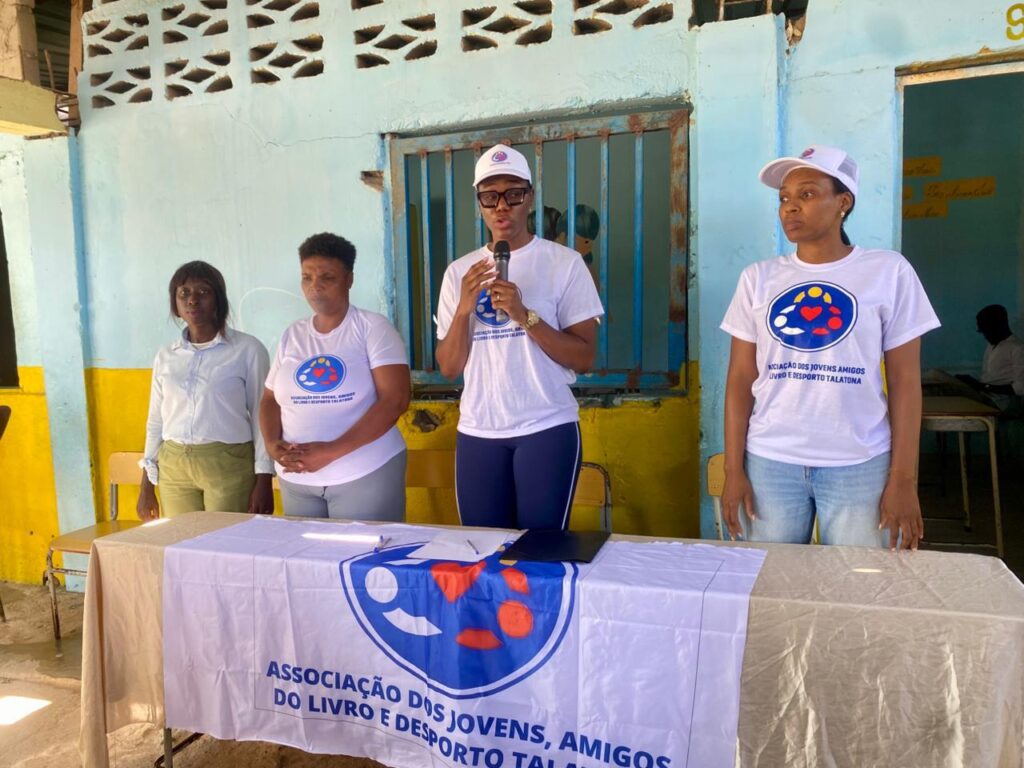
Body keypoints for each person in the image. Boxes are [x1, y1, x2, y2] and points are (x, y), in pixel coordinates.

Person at [720, 144, 940, 550]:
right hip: (770, 461)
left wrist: (903, 479)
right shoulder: (758, 279)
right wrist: (734, 470)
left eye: (807, 194)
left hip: (860, 462)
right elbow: (739, 379)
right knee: (770, 580)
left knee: (860, 580)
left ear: (843, 202)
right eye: (784, 198)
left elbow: (906, 381)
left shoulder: (889, 272)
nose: (790, 207)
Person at [435, 144, 605, 530]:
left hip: (546, 427)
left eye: (513, 194)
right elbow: (448, 367)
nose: (501, 206)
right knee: (483, 549)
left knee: (540, 550)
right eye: (490, 196)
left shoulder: (564, 263)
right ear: (479, 202)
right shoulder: (459, 272)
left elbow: (584, 358)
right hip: (479, 430)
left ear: (529, 197)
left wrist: (524, 316)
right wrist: (463, 309)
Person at [260, 232, 410, 520]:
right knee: (305, 549)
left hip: (364, 472)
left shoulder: (372, 328)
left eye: (327, 277)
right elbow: (269, 398)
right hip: (297, 480)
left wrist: (330, 452)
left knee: (364, 549)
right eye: (306, 277)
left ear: (349, 279)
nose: (315, 287)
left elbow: (395, 400)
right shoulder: (293, 334)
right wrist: (271, 443)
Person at [138, 261, 273, 520]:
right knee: (181, 540)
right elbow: (155, 420)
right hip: (173, 466)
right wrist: (147, 483)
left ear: (219, 299)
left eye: (203, 291)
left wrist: (264, 477)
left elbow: (262, 415)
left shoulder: (248, 349)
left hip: (227, 464)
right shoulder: (166, 355)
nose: (192, 300)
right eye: (184, 293)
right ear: (175, 305)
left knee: (225, 541)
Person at [957, 304, 1024, 410]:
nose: (985, 335)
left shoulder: (1017, 349)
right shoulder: (992, 345)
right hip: (983, 395)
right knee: (939, 379)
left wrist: (983, 386)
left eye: (987, 331)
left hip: (998, 402)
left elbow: (1020, 388)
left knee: (938, 378)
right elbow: (988, 377)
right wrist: (973, 382)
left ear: (1000, 326)